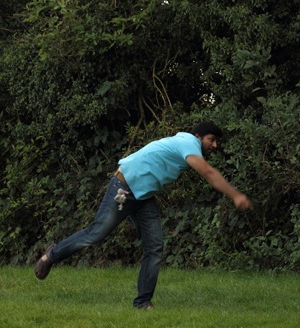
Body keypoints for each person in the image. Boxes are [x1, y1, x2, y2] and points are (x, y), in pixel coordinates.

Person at [35, 122, 252, 309]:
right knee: (96, 234)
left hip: (143, 196)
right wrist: (235, 195)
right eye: (211, 139)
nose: (214, 145)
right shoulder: (188, 143)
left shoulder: (184, 143)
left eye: (216, 142)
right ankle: (51, 255)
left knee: (154, 247)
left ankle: (143, 302)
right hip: (124, 189)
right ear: (198, 137)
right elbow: (208, 172)